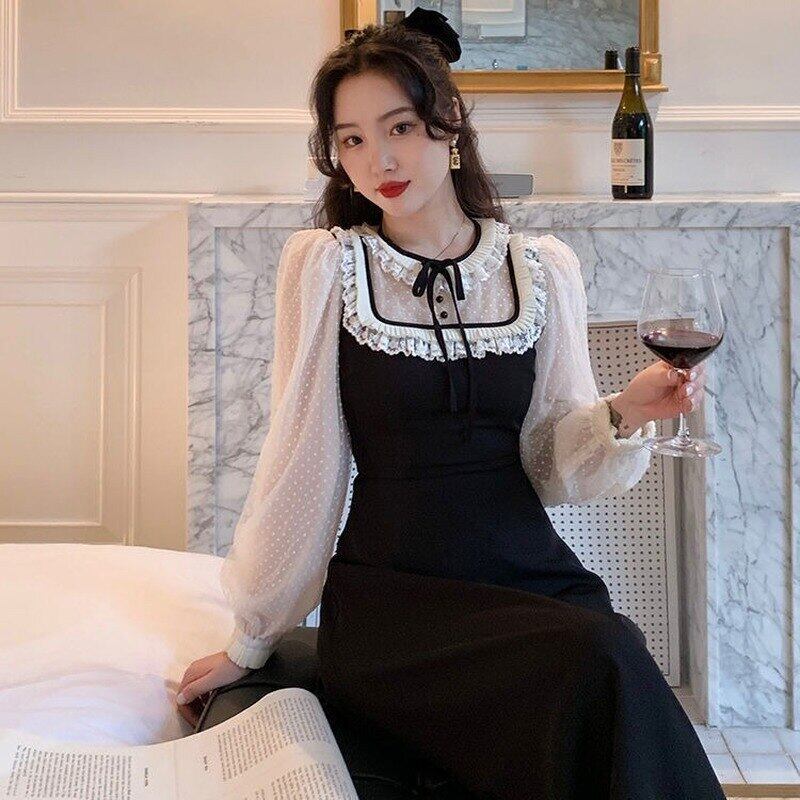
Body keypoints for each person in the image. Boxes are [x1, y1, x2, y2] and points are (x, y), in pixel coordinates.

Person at [176, 10, 723, 799]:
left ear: (451, 122)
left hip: (530, 580)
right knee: (601, 656)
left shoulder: (539, 269)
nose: (379, 159)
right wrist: (253, 639)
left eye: (399, 127)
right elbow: (304, 466)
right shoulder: (329, 268)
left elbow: (551, 465)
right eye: (352, 139)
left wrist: (627, 410)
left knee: (606, 649)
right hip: (398, 605)